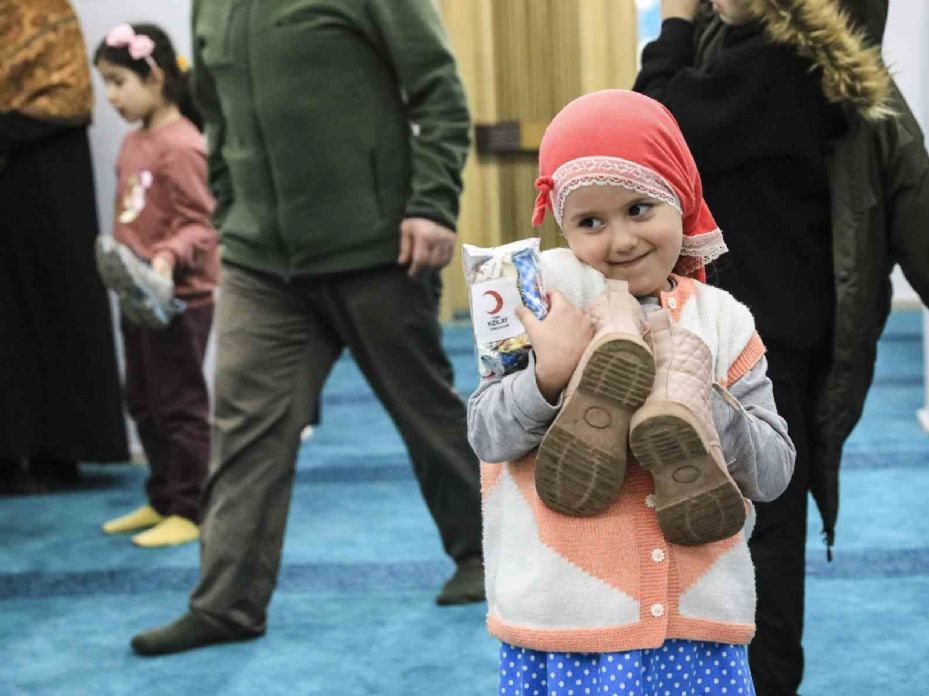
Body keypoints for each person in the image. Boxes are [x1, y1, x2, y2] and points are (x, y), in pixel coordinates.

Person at [130, 0, 483, 655]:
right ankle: (226, 604)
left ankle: (488, 556)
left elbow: (438, 91)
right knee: (242, 429)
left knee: (424, 413)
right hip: (262, 263)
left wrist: (431, 203)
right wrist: (232, 216)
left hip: (378, 249)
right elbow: (214, 113)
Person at [633, 1, 929, 694]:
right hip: (756, 339)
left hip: (754, 352)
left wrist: (670, 26)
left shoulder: (774, 63)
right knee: (749, 540)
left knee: (755, 555)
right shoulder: (802, 60)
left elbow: (649, 134)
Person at [468, 89, 795, 696]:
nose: (619, 242)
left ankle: (672, 399)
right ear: (563, 227)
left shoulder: (722, 319)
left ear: (682, 199)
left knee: (682, 371)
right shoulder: (537, 298)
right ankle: (608, 375)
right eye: (591, 222)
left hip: (695, 621)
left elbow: (773, 473)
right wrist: (550, 375)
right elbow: (487, 434)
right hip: (563, 621)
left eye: (640, 208)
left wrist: (703, 399)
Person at [92, 23, 219, 548]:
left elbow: (202, 223)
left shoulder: (183, 145)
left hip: (179, 301)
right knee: (142, 400)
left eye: (120, 82)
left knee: (179, 405)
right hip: (136, 298)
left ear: (156, 76)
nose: (112, 96)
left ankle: (189, 508)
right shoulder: (133, 142)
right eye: (106, 84)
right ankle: (161, 497)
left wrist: (166, 257)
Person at [0, 0, 128, 493]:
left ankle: (62, 452)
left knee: (58, 307)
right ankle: (7, 457)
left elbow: (70, 97)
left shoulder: (48, 12)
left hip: (47, 183)